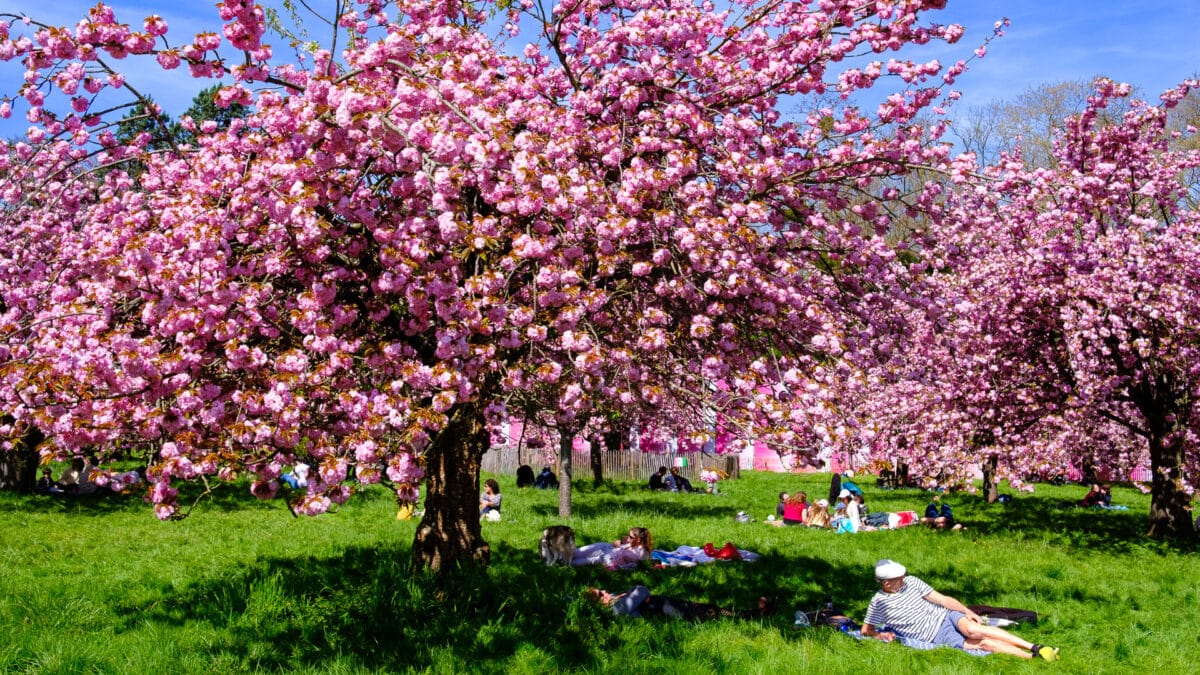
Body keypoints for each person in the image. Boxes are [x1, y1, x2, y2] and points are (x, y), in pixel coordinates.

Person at [863, 560, 1059, 661]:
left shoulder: (912, 582)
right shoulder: (878, 603)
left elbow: (942, 599)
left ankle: (1035, 646)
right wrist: (880, 635)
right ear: (887, 583)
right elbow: (866, 630)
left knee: (974, 629)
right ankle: (1034, 658)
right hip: (936, 635)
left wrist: (968, 612)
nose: (903, 579)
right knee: (983, 644)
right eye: (899, 578)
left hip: (946, 615)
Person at [587, 585, 772, 621]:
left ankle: (753, 613)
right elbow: (642, 590)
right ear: (599, 603)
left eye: (602, 590)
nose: (605, 592)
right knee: (716, 612)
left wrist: (632, 596)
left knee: (713, 609)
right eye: (601, 594)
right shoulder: (617, 608)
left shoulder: (618, 603)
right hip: (674, 611)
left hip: (673, 604)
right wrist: (636, 596)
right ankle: (756, 614)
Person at [572, 527, 653, 570]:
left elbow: (632, 566)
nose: (628, 538)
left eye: (631, 537)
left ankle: (561, 562)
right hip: (605, 547)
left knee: (575, 563)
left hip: (605, 559)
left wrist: (614, 568)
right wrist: (621, 542)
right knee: (577, 553)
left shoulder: (642, 553)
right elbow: (614, 544)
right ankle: (560, 555)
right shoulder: (631, 543)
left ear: (638, 540)